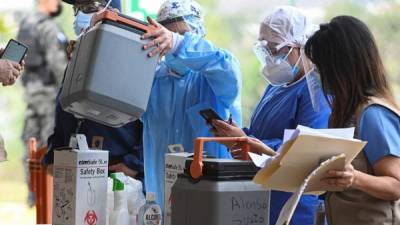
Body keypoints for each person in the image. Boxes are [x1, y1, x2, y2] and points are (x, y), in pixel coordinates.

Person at [211, 6, 331, 225]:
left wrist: (252, 144)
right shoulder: (276, 87)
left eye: (276, 49)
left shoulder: (315, 93)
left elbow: (307, 151)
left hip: (295, 206)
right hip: (260, 197)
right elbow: (261, 135)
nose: (271, 58)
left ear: (301, 46)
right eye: (265, 49)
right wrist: (237, 136)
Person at [140, 0, 242, 207]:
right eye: (166, 35)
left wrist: (180, 44)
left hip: (211, 198)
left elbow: (227, 68)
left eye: (183, 34)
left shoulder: (214, 79)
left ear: (199, 35)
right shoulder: (150, 81)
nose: (172, 42)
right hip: (160, 198)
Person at [304, 15, 400, 225]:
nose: (318, 75)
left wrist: (355, 178)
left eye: (321, 67)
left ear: (341, 67)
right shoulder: (345, 112)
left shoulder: (373, 114)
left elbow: (396, 185)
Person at [43, 0, 144, 182]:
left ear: (113, 11)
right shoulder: (78, 56)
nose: (81, 14)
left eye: (88, 8)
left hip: (117, 174)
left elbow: (154, 125)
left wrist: (133, 164)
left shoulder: (134, 57)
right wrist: (53, 156)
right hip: (75, 168)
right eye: (77, 9)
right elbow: (63, 111)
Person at [17, 0, 68, 207]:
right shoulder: (48, 26)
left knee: (30, 143)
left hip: (31, 94)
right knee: (48, 144)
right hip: (48, 95)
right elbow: (59, 66)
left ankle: (33, 193)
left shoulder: (26, 25)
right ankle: (48, 197)